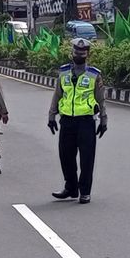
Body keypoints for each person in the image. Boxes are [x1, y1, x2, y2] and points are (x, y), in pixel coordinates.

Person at [48, 38, 107, 204]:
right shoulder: (64, 72)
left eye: (82, 53)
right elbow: (57, 95)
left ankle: (85, 192)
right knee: (65, 156)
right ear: (71, 53)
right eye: (76, 52)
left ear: (87, 54)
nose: (79, 55)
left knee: (87, 159)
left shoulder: (94, 75)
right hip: (66, 121)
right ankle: (71, 188)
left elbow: (100, 99)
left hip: (86, 122)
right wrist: (52, 116)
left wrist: (104, 120)